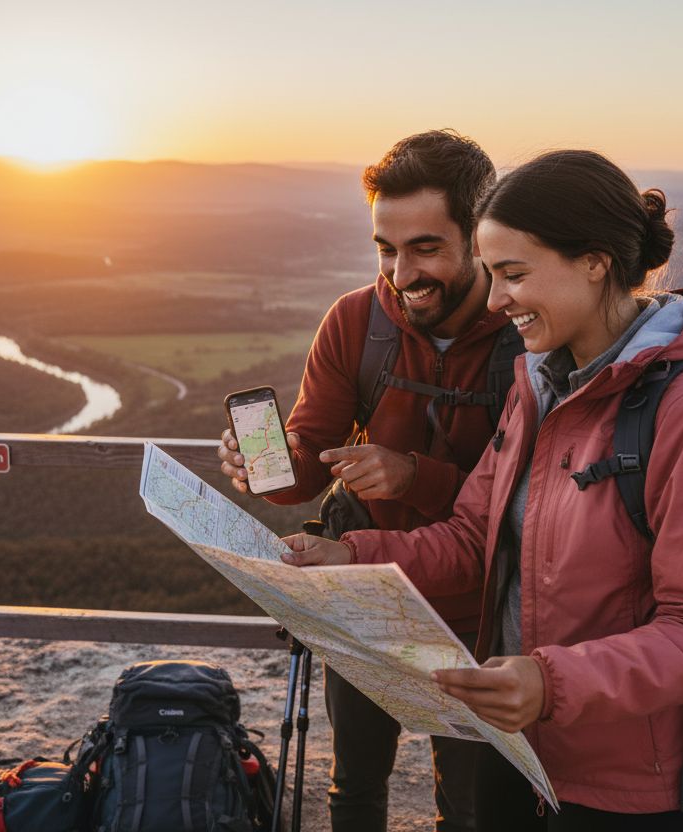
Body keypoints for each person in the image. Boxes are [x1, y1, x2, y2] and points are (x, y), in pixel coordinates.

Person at [281, 149, 683, 830]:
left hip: (627, 786)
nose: (494, 298)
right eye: (490, 274)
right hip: (519, 752)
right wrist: (351, 554)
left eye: (512, 274)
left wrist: (548, 683)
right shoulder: (541, 386)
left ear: (595, 261)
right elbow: (476, 538)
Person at [218, 129, 517, 832]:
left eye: (425, 248)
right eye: (385, 247)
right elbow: (308, 456)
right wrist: (264, 469)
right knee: (353, 783)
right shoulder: (357, 321)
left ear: (479, 238)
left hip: (480, 604)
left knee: (470, 802)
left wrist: (413, 475)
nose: (401, 272)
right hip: (362, 591)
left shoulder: (523, 334)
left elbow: (528, 501)